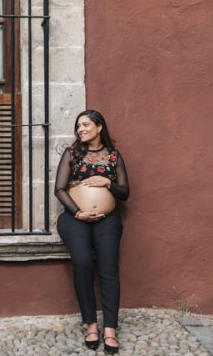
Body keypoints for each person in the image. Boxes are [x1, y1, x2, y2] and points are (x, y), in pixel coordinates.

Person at [54, 110, 130, 355]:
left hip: (107, 220)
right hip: (74, 219)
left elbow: (125, 192)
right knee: (83, 261)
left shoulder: (114, 156)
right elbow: (59, 189)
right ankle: (91, 325)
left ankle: (110, 329)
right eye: (78, 126)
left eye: (86, 125)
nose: (81, 129)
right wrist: (78, 213)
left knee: (108, 266)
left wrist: (107, 182)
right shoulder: (72, 154)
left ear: (99, 127)